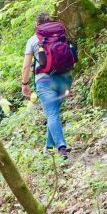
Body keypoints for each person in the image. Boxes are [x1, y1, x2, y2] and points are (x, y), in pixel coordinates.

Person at [22, 12, 77, 160]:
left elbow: (26, 66)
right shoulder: (61, 36)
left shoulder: (34, 40)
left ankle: (61, 147)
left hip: (45, 82)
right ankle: (49, 147)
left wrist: (24, 84)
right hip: (65, 79)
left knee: (52, 114)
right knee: (53, 113)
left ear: (37, 25)